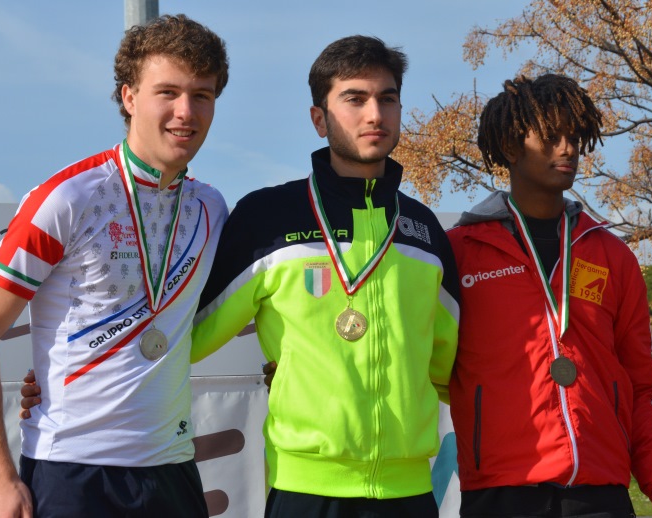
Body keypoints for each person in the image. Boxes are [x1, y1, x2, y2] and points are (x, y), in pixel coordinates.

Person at [0, 14, 229, 518]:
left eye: (202, 95)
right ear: (129, 97)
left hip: (172, 471)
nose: (185, 112)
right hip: (72, 474)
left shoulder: (211, 208)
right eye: (167, 92)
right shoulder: (68, 198)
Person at [189, 35, 461, 517]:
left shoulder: (424, 232)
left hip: (410, 495)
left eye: (387, 99)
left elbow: (454, 368)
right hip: (304, 493)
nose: (375, 114)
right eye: (354, 99)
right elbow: (186, 336)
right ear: (319, 119)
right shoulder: (267, 218)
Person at [446, 74, 652, 517]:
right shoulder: (460, 252)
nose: (568, 149)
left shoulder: (612, 255)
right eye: (552, 136)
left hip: (599, 493)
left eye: (574, 137)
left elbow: (641, 384)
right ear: (510, 146)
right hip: (500, 491)